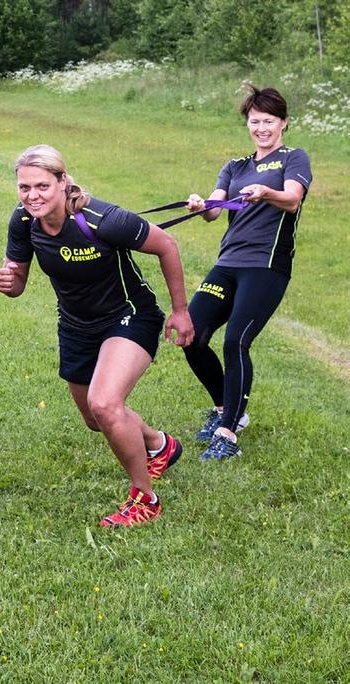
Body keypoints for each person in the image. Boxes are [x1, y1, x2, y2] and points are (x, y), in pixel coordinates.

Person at [0, 144, 194, 528]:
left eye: (41, 186)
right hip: (75, 325)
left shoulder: (103, 219)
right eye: (24, 187)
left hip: (129, 316)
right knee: (93, 417)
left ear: (62, 181)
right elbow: (17, 281)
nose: (32, 196)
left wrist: (181, 311)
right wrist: (10, 282)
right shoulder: (23, 221)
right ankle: (159, 444)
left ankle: (145, 498)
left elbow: (166, 245)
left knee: (105, 403)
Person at [184, 84, 312, 461]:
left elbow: (292, 199)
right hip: (228, 263)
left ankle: (228, 435)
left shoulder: (294, 158)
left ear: (284, 123)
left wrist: (265, 192)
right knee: (191, 334)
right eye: (255, 121)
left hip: (266, 265)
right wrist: (199, 204)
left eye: (268, 121)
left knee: (236, 341)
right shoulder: (235, 166)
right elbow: (214, 210)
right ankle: (227, 410)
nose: (261, 128)